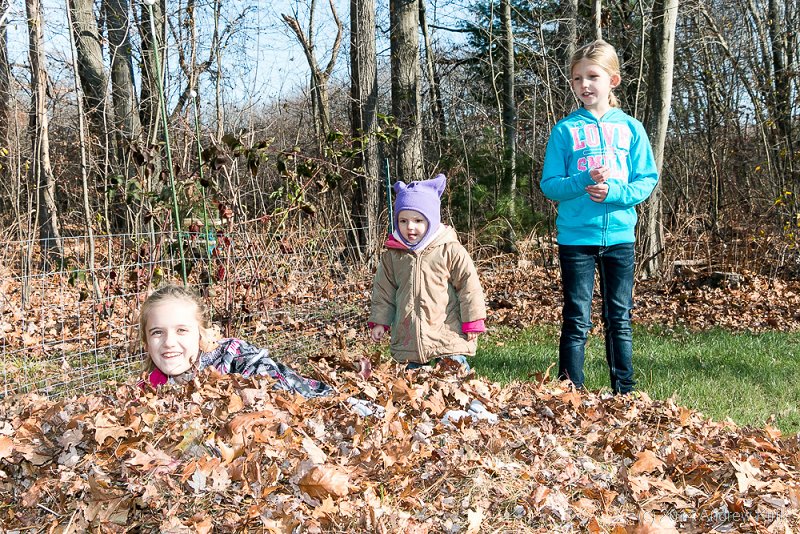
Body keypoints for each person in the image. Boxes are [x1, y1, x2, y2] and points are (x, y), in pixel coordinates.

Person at [540, 39, 659, 394]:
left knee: (619, 317)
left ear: (613, 81)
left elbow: (646, 179)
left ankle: (624, 392)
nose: (584, 85)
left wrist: (614, 193)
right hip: (576, 238)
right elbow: (550, 185)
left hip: (620, 237)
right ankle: (569, 392)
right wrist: (581, 181)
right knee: (576, 317)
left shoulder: (631, 128)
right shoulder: (565, 130)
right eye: (577, 79)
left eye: (592, 76)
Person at [369, 173, 487, 371]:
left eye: (418, 220)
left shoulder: (449, 249)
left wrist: (473, 320)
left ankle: (459, 386)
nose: (410, 227)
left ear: (431, 220)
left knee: (452, 372)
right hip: (409, 336)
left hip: (447, 331)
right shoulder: (393, 255)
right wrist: (380, 321)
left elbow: (469, 285)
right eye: (403, 221)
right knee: (410, 381)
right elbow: (383, 291)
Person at [138, 284, 333, 398]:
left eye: (181, 330)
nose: (169, 342)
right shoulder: (148, 388)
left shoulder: (237, 358)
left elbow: (280, 392)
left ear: (201, 335)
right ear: (146, 343)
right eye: (157, 332)